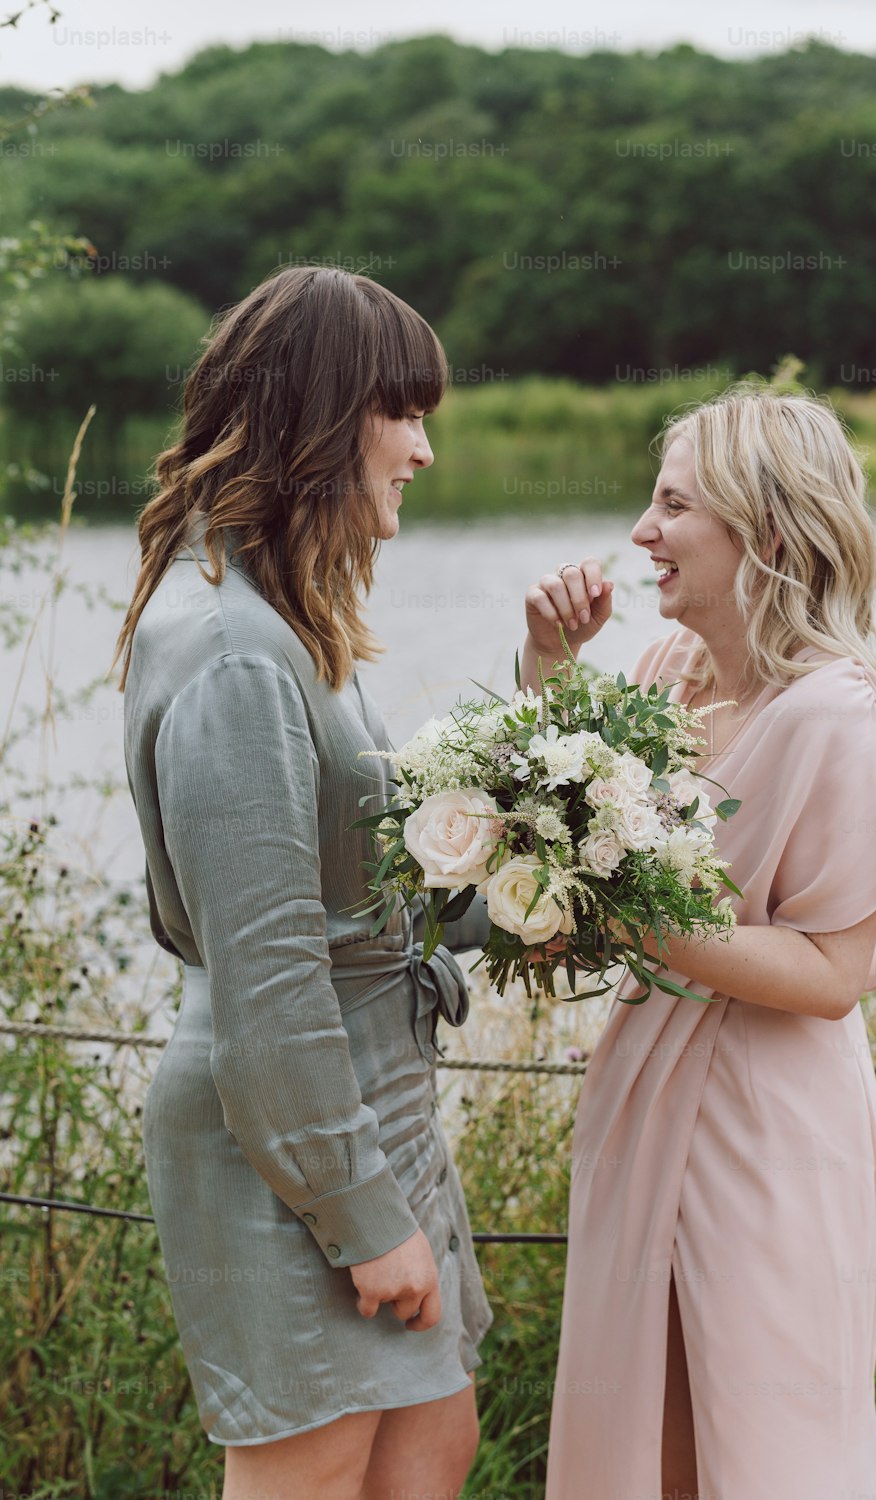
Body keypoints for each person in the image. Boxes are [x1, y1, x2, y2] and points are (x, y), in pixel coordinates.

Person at [520, 386, 876, 1500]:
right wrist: (544, 668)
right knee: (644, 1437)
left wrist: (624, 913)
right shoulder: (658, 680)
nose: (641, 532)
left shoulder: (832, 714)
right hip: (643, 1091)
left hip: (768, 1126)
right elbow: (564, 836)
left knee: (768, 1444)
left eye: (673, 504)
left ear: (765, 532)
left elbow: (829, 974)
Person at [111, 265, 491, 1500]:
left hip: (370, 1097)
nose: (424, 449)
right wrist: (356, 1209)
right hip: (289, 1132)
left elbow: (368, 884)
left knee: (430, 1452)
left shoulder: (283, 617)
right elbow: (271, 976)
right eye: (404, 413)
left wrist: (550, 879)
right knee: (313, 1478)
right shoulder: (232, 656)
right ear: (320, 420)